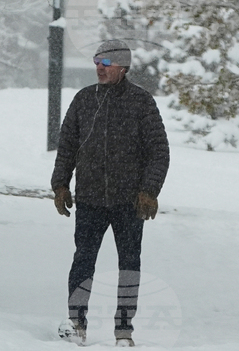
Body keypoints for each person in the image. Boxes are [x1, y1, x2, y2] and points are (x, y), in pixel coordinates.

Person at [51, 40, 170, 348]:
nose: (99, 68)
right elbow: (67, 146)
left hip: (128, 202)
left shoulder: (141, 102)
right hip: (90, 198)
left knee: (129, 265)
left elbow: (159, 151)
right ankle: (77, 324)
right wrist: (60, 184)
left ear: (123, 67)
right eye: (97, 62)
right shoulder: (83, 100)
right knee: (83, 262)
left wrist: (149, 191)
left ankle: (124, 331)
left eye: (106, 63)